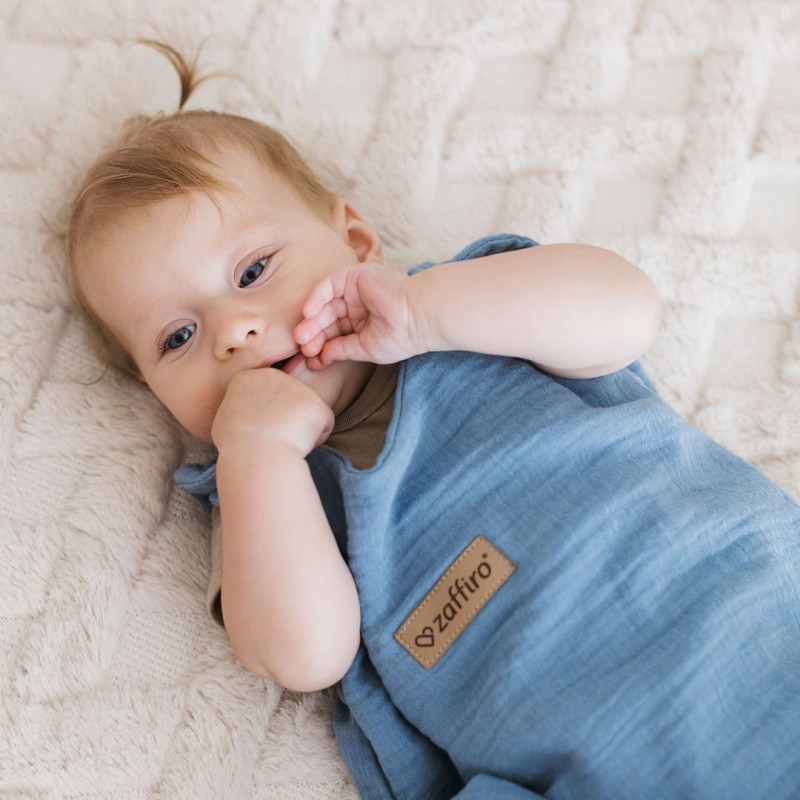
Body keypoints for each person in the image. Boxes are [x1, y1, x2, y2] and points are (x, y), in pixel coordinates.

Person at [66, 45, 800, 800]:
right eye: (177, 337)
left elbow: (627, 311)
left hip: (740, 618)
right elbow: (305, 655)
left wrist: (427, 311)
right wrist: (260, 455)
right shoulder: (260, 492)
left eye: (253, 271)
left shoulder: (475, 309)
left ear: (354, 243)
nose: (233, 331)